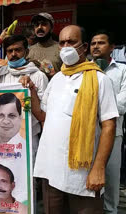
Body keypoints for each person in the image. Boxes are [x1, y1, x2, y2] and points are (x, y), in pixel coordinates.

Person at [27, 25, 119, 213]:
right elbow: (43, 115)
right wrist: (31, 92)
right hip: (51, 170)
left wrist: (99, 168)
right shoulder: (57, 79)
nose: (66, 46)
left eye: (72, 42)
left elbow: (109, 125)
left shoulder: (100, 80)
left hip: (82, 175)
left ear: (84, 47)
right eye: (62, 42)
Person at [0, 31, 48, 162]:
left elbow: (42, 115)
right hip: (3, 139)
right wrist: (0, 38)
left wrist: (30, 89)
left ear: (26, 52)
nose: (13, 54)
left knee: (28, 179)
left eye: (18, 50)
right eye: (9, 51)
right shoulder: (2, 73)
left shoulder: (38, 76)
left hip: (28, 137)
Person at [90, 30, 126, 214]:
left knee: (110, 179)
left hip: (113, 133)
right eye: (93, 43)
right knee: (86, 180)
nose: (96, 46)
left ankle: (111, 211)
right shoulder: (85, 70)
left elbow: (123, 101)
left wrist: (95, 108)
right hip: (86, 134)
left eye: (101, 43)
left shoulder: (122, 70)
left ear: (112, 47)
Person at [27, 13, 62, 79]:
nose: (39, 27)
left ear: (51, 28)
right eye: (37, 25)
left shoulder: (60, 49)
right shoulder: (28, 51)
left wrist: (53, 75)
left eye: (44, 24)